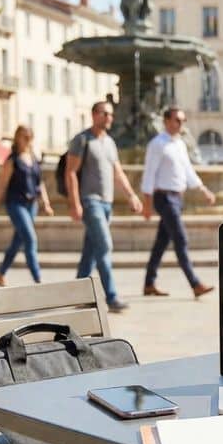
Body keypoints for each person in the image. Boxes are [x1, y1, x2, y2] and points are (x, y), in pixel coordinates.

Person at [66, 101, 143, 313]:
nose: (109, 117)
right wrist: (75, 203)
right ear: (94, 115)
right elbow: (70, 172)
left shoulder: (110, 142)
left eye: (111, 114)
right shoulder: (82, 140)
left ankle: (77, 295)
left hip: (107, 203)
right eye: (104, 113)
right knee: (105, 246)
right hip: (90, 201)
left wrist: (132, 195)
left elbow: (118, 172)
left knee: (90, 252)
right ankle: (111, 296)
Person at [141, 107, 216, 297]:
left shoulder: (180, 144)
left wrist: (203, 190)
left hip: (177, 198)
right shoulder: (157, 144)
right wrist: (147, 204)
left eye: (183, 120)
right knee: (181, 239)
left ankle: (149, 283)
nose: (181, 124)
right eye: (178, 120)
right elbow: (149, 173)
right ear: (166, 122)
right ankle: (195, 284)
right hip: (164, 198)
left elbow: (188, 171)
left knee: (161, 242)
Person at [0, 125, 53, 286]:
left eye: (29, 137)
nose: (27, 140)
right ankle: (38, 279)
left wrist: (46, 203)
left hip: (32, 205)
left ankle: (1, 274)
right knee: (30, 238)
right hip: (16, 204)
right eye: (24, 136)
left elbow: (39, 183)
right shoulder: (12, 160)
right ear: (17, 138)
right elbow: (2, 184)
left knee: (18, 241)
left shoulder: (33, 158)